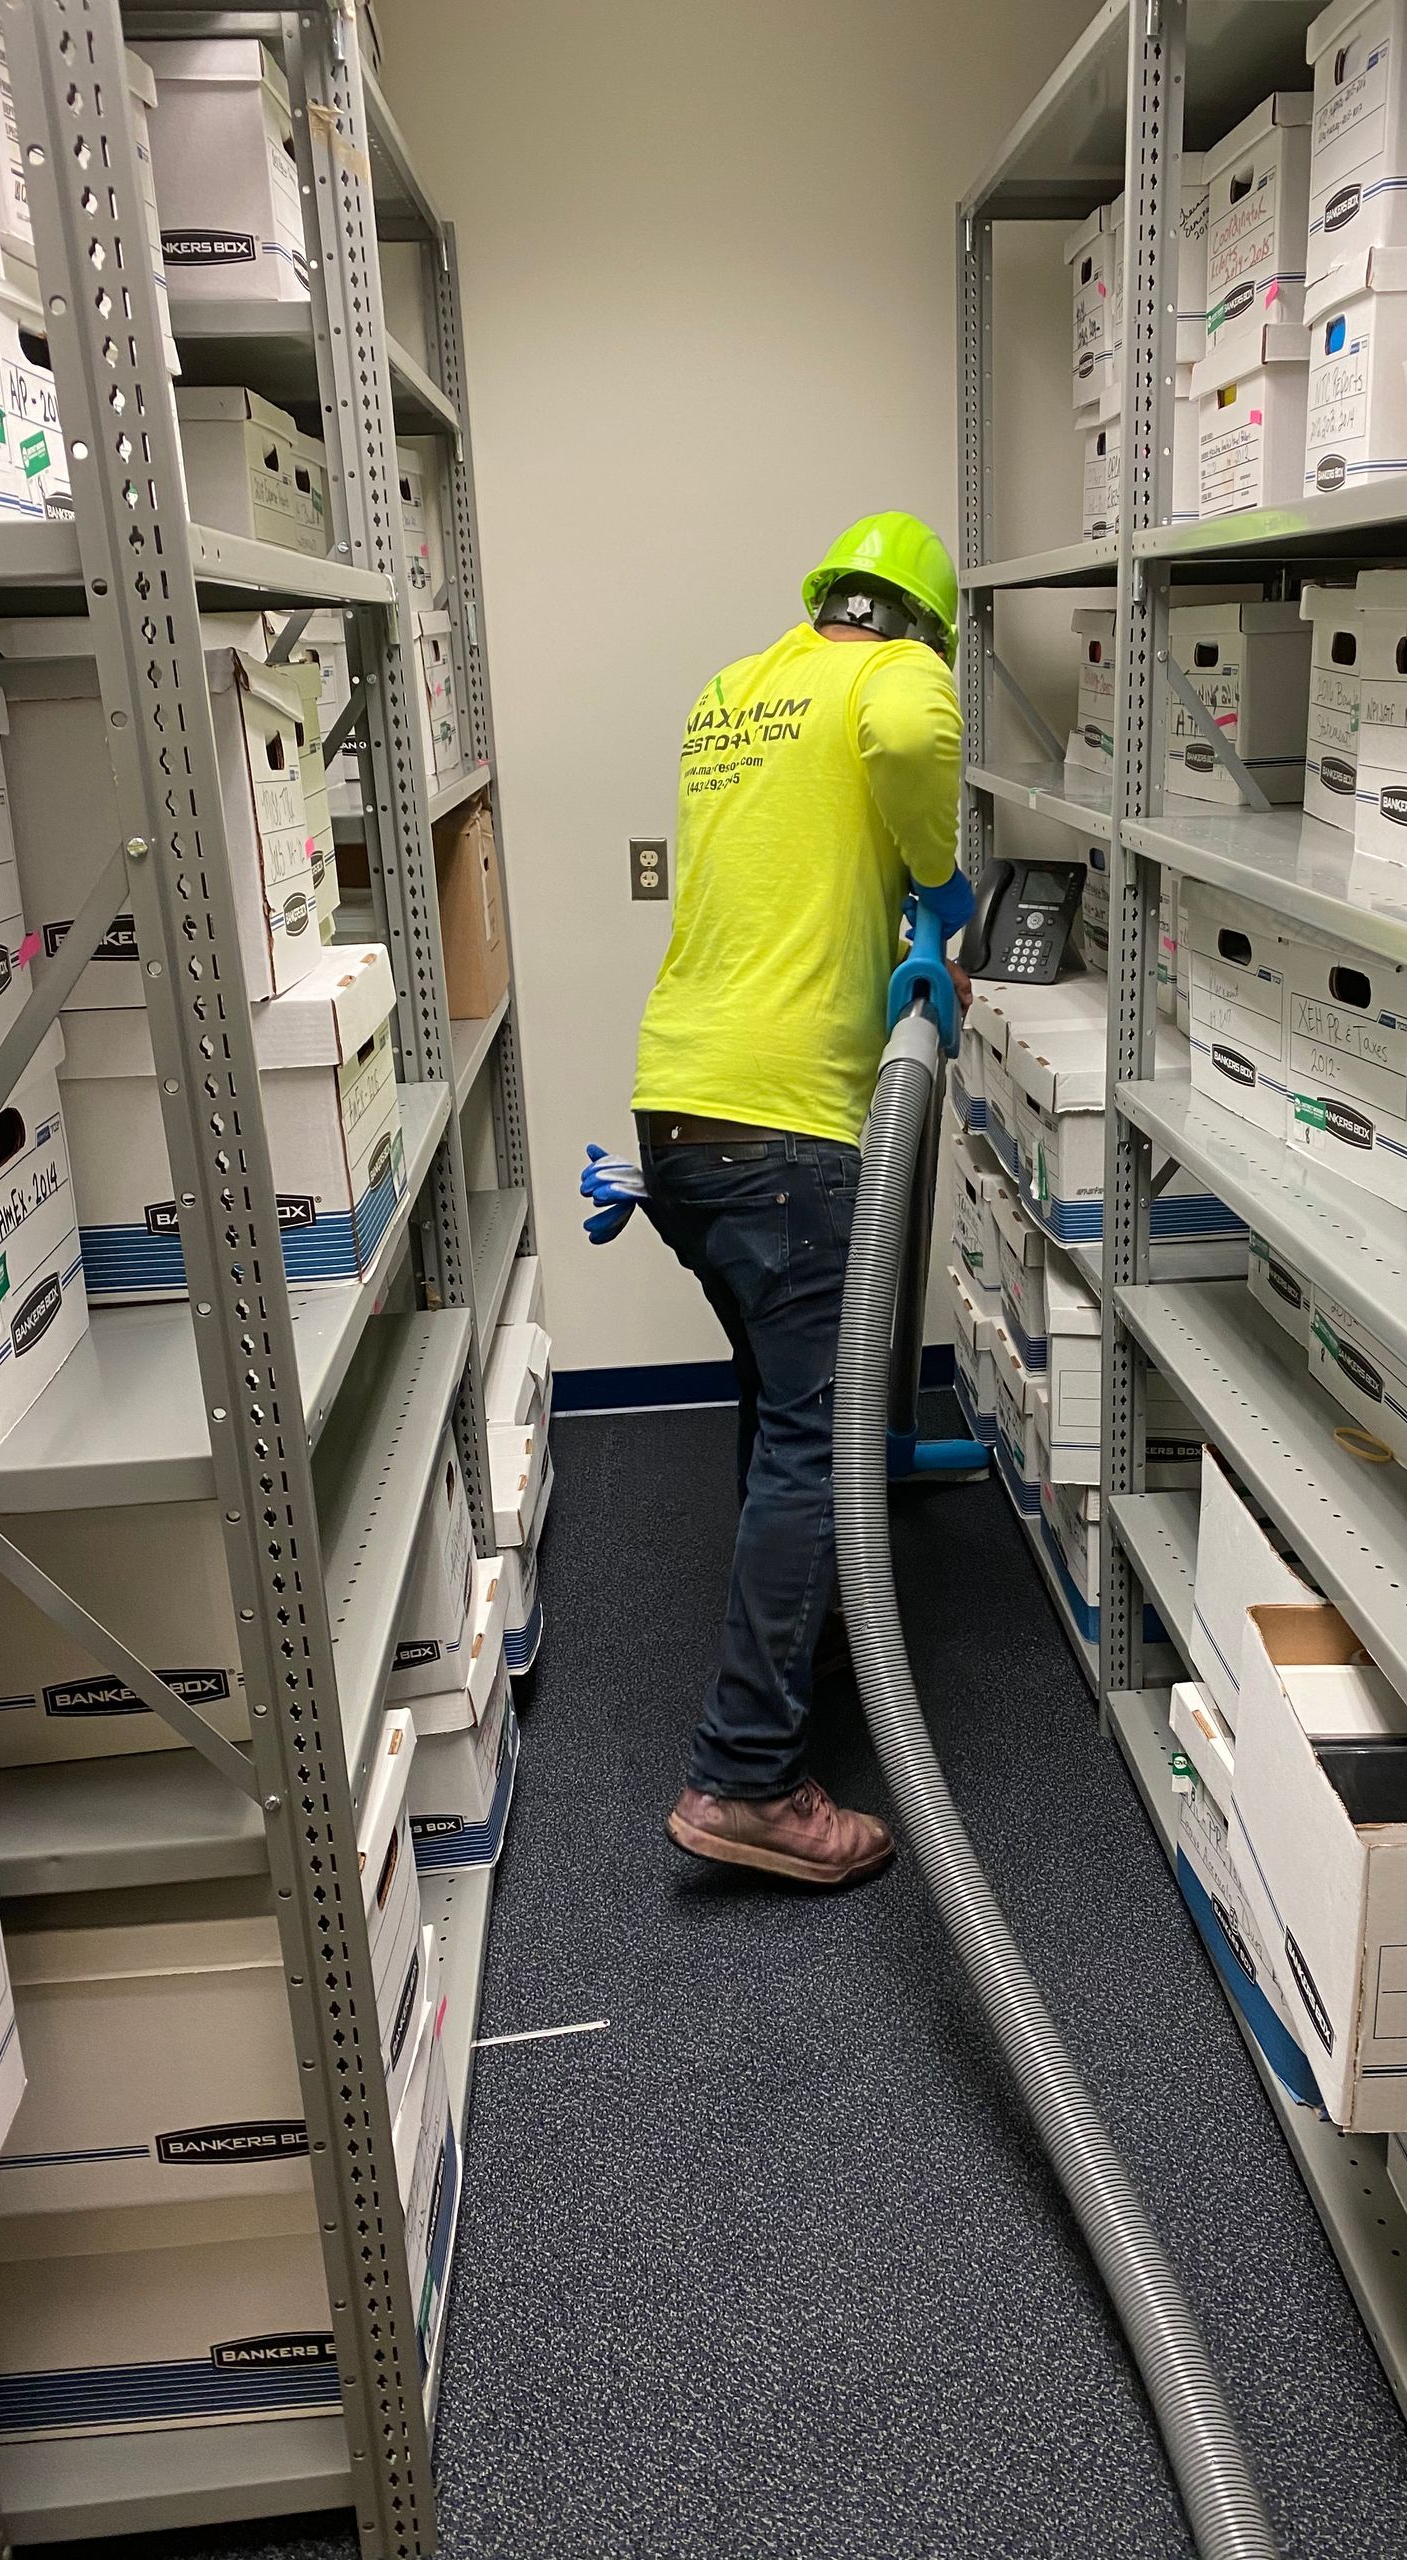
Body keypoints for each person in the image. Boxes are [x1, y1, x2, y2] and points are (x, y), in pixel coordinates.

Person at [617, 512, 973, 1890]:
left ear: (829, 601)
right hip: (787, 1118)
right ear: (922, 623)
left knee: (776, 1409)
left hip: (680, 1101)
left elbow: (792, 859)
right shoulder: (900, 677)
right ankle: (747, 1779)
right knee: (815, 1443)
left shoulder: (738, 687)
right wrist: (939, 885)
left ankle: (813, 1618)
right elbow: (899, 743)